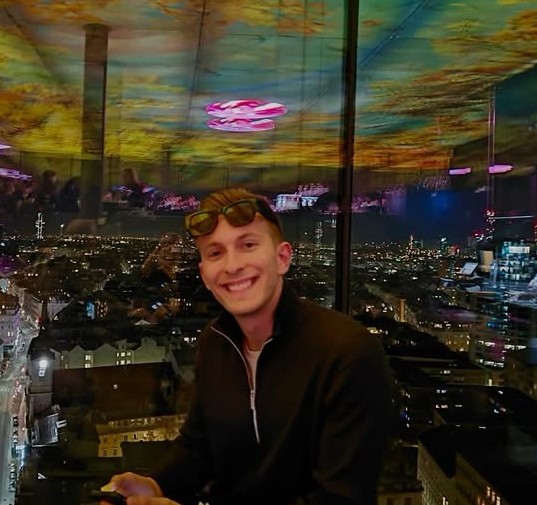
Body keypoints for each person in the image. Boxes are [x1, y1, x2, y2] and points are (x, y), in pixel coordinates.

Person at [102, 187, 393, 505]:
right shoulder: (215, 342)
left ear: (282, 258)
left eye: (248, 245)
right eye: (215, 253)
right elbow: (200, 449)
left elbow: (341, 500)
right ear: (205, 275)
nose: (232, 266)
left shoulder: (347, 353)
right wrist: (156, 486)